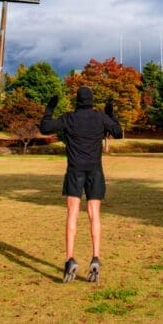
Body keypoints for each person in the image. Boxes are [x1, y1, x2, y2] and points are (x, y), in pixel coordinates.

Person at [39, 85, 123, 282]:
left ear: (77, 100)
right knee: (95, 215)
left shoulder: (69, 118)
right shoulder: (99, 117)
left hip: (75, 171)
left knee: (72, 214)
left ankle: (69, 259)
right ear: (92, 100)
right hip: (95, 171)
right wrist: (111, 115)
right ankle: (95, 257)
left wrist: (50, 108)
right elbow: (118, 133)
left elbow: (45, 127)